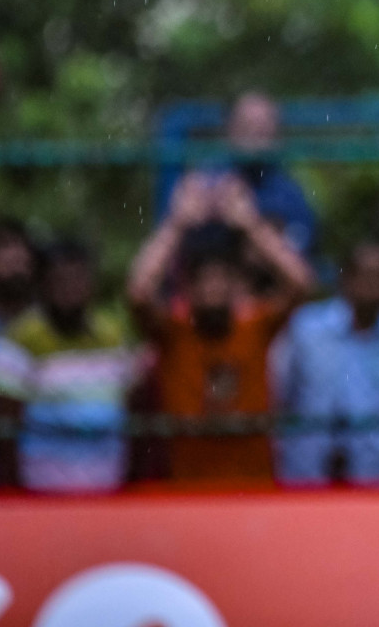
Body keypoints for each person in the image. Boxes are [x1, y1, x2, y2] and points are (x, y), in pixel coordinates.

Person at [127, 173, 312, 483]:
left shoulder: (255, 325)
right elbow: (138, 293)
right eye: (204, 280)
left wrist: (251, 223)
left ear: (236, 284)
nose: (213, 289)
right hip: (188, 493)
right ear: (188, 287)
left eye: (221, 279)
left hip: (254, 490)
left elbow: (300, 283)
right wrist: (176, 224)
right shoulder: (174, 332)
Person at [0, 240, 143, 493]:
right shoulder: (17, 341)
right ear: (43, 285)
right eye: (61, 280)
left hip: (107, 489)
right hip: (41, 493)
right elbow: (5, 433)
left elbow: (131, 414)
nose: (70, 289)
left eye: (78, 279)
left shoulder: (114, 336)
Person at [275, 239, 379, 485]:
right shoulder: (307, 327)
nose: (378, 283)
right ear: (348, 278)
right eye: (371, 275)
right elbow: (280, 391)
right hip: (307, 478)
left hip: (377, 480)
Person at [162, 93, 319, 259]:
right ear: (230, 129)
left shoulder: (290, 196)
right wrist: (177, 224)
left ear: (278, 135)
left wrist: (252, 225)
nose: (255, 135)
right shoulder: (201, 182)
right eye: (247, 126)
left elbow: (303, 275)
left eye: (264, 128)